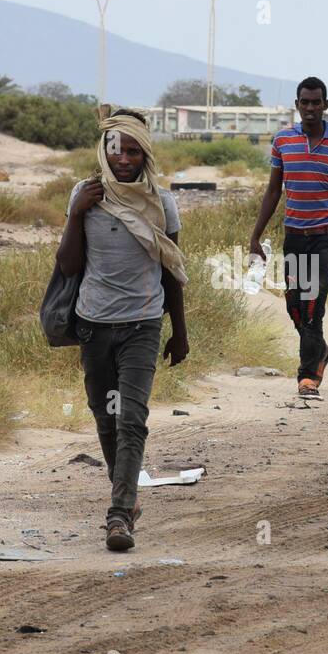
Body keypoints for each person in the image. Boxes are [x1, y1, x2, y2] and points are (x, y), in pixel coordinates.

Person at [56, 106, 189, 552]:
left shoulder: (161, 202)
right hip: (94, 326)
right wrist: (76, 214)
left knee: (132, 419)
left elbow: (172, 270)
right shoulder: (86, 194)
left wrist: (181, 330)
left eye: (134, 151)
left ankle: (118, 515)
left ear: (145, 153)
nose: (124, 159)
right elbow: (69, 265)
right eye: (117, 150)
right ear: (104, 150)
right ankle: (127, 497)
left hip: (143, 326)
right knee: (106, 418)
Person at [248, 76, 328, 399]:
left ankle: (308, 375)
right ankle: (320, 350)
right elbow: (273, 191)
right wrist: (255, 236)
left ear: (326, 105)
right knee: (294, 306)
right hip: (294, 236)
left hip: (325, 237)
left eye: (316, 102)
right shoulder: (283, 141)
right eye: (304, 102)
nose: (310, 108)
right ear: (297, 105)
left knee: (312, 305)